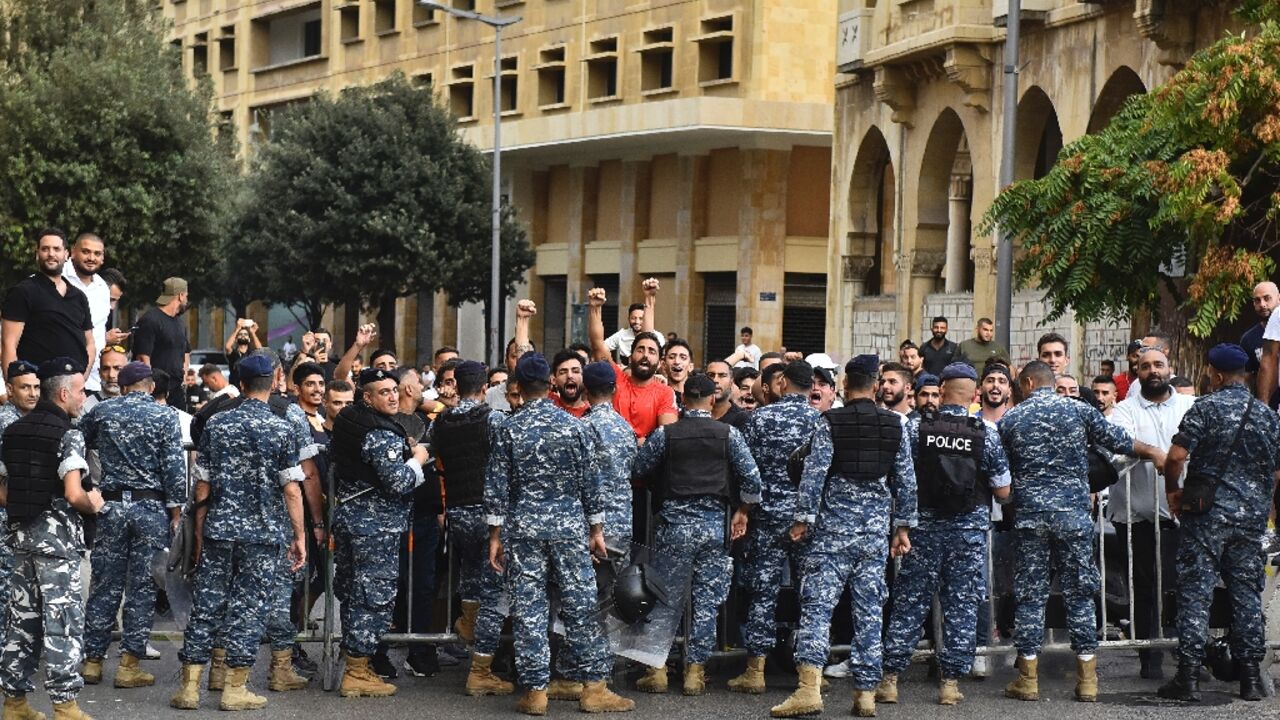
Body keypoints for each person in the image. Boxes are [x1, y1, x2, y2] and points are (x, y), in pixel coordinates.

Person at [998, 361, 1163, 703]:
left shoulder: (1011, 419)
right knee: (1080, 594)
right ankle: (1087, 680)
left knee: (1031, 596)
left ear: (1028, 383)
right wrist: (1153, 452)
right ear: (1050, 381)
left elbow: (1000, 468)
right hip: (1073, 517)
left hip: (1031, 518)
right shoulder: (1078, 411)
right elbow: (1118, 441)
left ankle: (1027, 680)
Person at [484, 353, 634, 715]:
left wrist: (495, 535)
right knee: (581, 606)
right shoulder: (575, 427)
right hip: (569, 528)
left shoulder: (508, 428)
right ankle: (594, 687)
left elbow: (496, 486)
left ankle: (536, 691)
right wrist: (596, 529)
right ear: (551, 383)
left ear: (516, 385)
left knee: (530, 609)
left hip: (524, 529)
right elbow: (591, 484)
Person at [771, 355, 915, 719]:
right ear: (878, 384)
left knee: (818, 609)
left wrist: (803, 519)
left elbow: (815, 474)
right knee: (869, 612)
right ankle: (866, 693)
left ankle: (808, 689)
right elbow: (906, 482)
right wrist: (901, 528)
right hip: (873, 535)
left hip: (832, 533)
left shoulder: (830, 422)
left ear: (846, 386)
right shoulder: (896, 425)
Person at [169, 355, 306, 712]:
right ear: (275, 380)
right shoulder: (282, 428)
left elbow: (203, 486)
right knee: (249, 609)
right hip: (263, 533)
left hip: (219, 530)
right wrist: (300, 535)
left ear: (240, 385)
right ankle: (235, 688)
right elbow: (292, 489)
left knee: (207, 605)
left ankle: (190, 686)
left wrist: (199, 532)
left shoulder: (218, 424)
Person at [877, 363, 1010, 708]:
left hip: (923, 529)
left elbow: (901, 477)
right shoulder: (986, 431)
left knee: (909, 602)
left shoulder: (916, 428)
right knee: (961, 605)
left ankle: (890, 680)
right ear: (974, 394)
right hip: (967, 530)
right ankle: (950, 683)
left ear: (943, 388)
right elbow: (1003, 489)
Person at [1158, 343, 1280, 703]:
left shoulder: (1205, 409)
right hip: (1250, 520)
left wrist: (1172, 491)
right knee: (1246, 595)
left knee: (1196, 592)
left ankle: (1189, 676)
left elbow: (1177, 456)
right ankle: (1251, 678)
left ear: (1216, 374)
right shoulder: (1266, 415)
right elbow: (1275, 471)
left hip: (1207, 516)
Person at [631, 373, 761, 696]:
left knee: (664, 598)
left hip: (674, 528)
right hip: (714, 527)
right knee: (705, 602)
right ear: (712, 400)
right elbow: (753, 480)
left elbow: (639, 468)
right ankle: (694, 671)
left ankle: (657, 671)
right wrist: (742, 512)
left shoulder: (665, 435)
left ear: (682, 401)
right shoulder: (728, 433)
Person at [0, 358, 103, 720]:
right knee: (62, 623)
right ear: (63, 393)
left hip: (20, 537)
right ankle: (65, 706)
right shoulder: (69, 434)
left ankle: (14, 704)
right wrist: (94, 505)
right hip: (57, 543)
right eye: (79, 391)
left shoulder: (13, 432)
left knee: (21, 622)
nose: (83, 397)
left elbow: (3, 492)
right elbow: (75, 493)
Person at [78, 362, 185, 689]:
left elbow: (76, 442)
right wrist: (176, 512)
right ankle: (129, 665)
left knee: (104, 584)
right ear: (151, 387)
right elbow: (174, 467)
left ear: (123, 386)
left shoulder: (102, 411)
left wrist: (87, 486)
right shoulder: (164, 416)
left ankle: (93, 661)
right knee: (141, 587)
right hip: (149, 506)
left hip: (110, 505)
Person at [329, 367, 430, 697]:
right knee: (373, 599)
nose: (392, 396)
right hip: (375, 526)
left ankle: (356, 660)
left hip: (352, 519)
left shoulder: (349, 419)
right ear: (366, 397)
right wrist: (417, 458)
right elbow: (398, 481)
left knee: (354, 594)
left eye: (394, 390)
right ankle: (357, 670)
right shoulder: (379, 432)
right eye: (383, 392)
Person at [729, 361, 821, 694]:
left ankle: (756, 670)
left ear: (781, 382)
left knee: (762, 592)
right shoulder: (819, 421)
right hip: (805, 519)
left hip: (766, 516)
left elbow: (746, 468)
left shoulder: (759, 419)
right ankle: (809, 674)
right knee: (810, 594)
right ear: (811, 386)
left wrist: (744, 509)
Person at [1106, 346, 1193, 680]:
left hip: (1184, 516)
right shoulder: (1124, 410)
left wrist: (1169, 459)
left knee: (1185, 587)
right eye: (1145, 366)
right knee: (1144, 589)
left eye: (1159, 364)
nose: (1153, 370)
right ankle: (1150, 660)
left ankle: (1188, 657)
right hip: (1138, 517)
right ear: (1136, 372)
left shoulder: (1190, 405)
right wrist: (1154, 452)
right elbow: (1118, 442)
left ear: (1170, 368)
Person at [429, 360, 513, 695]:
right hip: (489, 514)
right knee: (493, 593)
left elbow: (429, 453)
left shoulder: (442, 421)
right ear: (483, 390)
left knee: (470, 579)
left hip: (458, 512)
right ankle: (481, 670)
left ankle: (467, 623)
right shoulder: (493, 419)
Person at [587, 283, 678, 439]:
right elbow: (597, 346)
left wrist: (650, 299)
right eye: (640, 350)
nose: (645, 355)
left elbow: (667, 437)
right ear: (630, 356)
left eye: (652, 352)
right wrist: (595, 308)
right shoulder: (617, 379)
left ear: (659, 361)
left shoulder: (665, 392)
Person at [1, 229, 95, 375]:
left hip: (74, 388)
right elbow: (8, 345)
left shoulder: (79, 296)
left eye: (56, 249)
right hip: (36, 387)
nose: (51, 254)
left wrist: (82, 378)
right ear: (37, 254)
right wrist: (13, 387)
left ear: (66, 254)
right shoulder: (22, 292)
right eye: (45, 249)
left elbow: (90, 343)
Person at [0, 361, 42, 651]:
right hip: (8, 514)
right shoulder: (6, 423)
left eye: (37, 387)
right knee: (6, 586)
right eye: (25, 387)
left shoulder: (36, 419)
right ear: (9, 389)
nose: (32, 393)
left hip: (27, 514)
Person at [61, 233, 111, 396]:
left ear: (103, 258)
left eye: (97, 254)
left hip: (94, 381)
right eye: (86, 252)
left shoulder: (102, 287)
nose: (91, 258)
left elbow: (97, 332)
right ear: (73, 252)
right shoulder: (55, 278)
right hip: (59, 378)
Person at [132, 277, 191, 411]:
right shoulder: (150, 320)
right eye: (186, 296)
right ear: (181, 296)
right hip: (156, 393)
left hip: (177, 390)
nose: (187, 300)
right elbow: (142, 358)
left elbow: (186, 350)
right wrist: (149, 388)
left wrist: (185, 372)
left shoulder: (180, 323)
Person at [707, 360, 750, 428]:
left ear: (731, 382)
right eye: (711, 375)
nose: (715, 380)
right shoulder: (693, 413)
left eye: (722, 375)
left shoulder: (741, 418)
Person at [550, 349, 588, 419]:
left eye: (575, 371)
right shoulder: (547, 406)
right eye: (563, 372)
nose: (570, 376)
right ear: (554, 380)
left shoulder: (591, 414)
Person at [662, 339, 693, 405]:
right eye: (672, 357)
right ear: (664, 365)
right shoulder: (658, 394)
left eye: (683, 357)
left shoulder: (699, 397)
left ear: (690, 367)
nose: (677, 362)